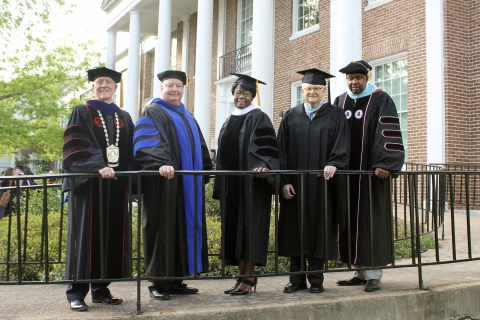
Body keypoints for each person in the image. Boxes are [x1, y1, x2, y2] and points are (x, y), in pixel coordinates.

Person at [133, 70, 213, 301]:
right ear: (162, 88)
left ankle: (176, 280)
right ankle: (157, 282)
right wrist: (161, 163)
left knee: (180, 230)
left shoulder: (186, 115)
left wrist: (205, 171)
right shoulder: (153, 111)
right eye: (170, 86)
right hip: (163, 185)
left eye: (178, 86)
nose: (174, 89)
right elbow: (146, 142)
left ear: (183, 88)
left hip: (186, 187)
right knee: (161, 231)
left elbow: (199, 144)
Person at [62, 67, 134, 311]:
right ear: (93, 85)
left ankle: (101, 289)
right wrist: (97, 166)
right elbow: (76, 145)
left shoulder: (123, 116)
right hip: (89, 186)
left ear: (116, 87)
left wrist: (137, 177)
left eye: (109, 82)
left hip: (115, 186)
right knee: (85, 237)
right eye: (100, 82)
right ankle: (76, 292)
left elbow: (131, 151)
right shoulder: (82, 111)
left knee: (112, 236)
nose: (104, 85)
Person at [334, 60, 405, 292]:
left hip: (372, 176)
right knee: (351, 221)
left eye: (359, 78)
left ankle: (374, 274)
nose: (354, 82)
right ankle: (360, 272)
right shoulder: (340, 101)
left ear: (367, 78)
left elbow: (389, 132)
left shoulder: (381, 99)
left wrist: (385, 163)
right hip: (347, 176)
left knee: (370, 221)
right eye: (350, 78)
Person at [277, 68, 350, 294]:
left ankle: (316, 281)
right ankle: (296, 280)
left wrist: (334, 162)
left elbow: (342, 143)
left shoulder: (336, 114)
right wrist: (284, 181)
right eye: (308, 89)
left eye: (316, 89)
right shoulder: (291, 115)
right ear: (303, 90)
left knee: (320, 230)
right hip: (296, 186)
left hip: (322, 185)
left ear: (323, 90)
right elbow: (281, 151)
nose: (311, 93)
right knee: (295, 231)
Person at [213, 73, 279, 295]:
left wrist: (262, 166)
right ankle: (241, 277)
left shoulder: (259, 117)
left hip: (252, 186)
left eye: (246, 93)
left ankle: (250, 278)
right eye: (237, 93)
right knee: (234, 232)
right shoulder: (230, 118)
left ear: (253, 96)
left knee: (249, 230)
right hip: (232, 186)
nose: (241, 97)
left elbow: (267, 148)